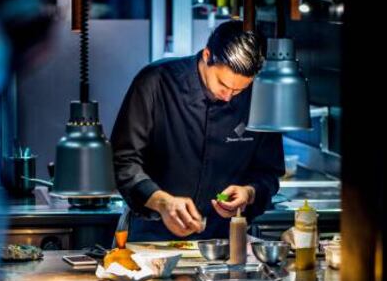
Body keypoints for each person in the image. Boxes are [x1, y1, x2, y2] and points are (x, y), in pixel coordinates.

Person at [111, 20, 285, 242]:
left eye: (240, 89)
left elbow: (268, 173)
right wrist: (162, 202)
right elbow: (123, 162)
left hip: (222, 242)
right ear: (207, 56)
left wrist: (249, 193)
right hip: (150, 237)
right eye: (223, 84)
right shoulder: (156, 82)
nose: (229, 96)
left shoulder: (260, 97)